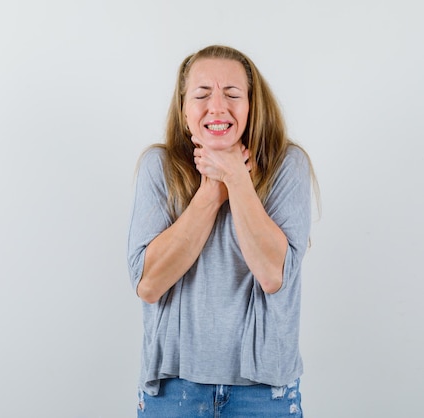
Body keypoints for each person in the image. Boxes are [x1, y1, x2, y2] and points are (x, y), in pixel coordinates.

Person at [127, 44, 318, 417]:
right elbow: (148, 284)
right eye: (202, 95)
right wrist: (212, 192)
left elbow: (273, 275)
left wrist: (235, 177)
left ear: (251, 107)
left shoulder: (288, 166)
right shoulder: (158, 166)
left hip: (265, 394)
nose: (217, 106)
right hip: (173, 388)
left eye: (232, 94)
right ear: (184, 111)